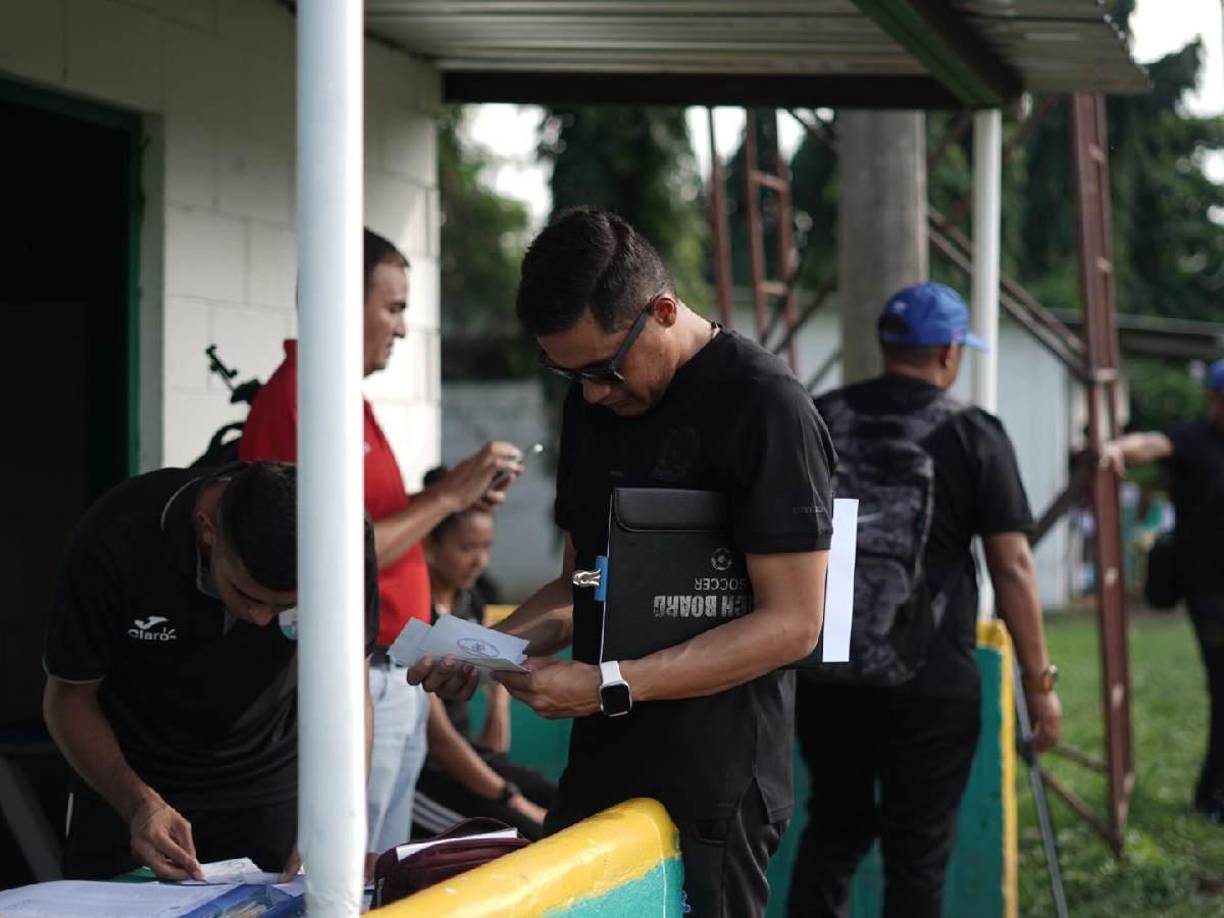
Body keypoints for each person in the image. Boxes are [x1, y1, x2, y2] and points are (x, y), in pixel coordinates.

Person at [411, 207, 835, 917]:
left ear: (663, 310)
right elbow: (583, 583)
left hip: (716, 776)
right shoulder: (591, 405)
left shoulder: (765, 407)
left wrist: (611, 683)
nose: (594, 393)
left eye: (607, 368)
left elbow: (794, 623)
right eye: (567, 373)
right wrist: (492, 646)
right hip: (604, 757)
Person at [239, 228, 522, 871]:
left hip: (393, 674)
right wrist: (447, 496)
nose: (400, 327)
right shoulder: (300, 400)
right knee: (339, 875)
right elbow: (327, 559)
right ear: (344, 302)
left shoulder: (344, 400)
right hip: (348, 679)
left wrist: (461, 499)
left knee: (377, 879)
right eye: (391, 308)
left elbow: (382, 533)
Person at [787, 282, 1063, 918]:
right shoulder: (974, 433)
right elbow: (1013, 565)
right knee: (919, 854)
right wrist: (1038, 681)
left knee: (833, 830)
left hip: (827, 670)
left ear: (886, 343)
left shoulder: (820, 417)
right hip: (932, 680)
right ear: (949, 353)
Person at [43, 461, 380, 881]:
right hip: (128, 786)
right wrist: (138, 804)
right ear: (207, 532)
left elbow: (350, 690)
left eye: (287, 608)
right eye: (246, 594)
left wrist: (335, 816)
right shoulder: (118, 534)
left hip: (271, 784)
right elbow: (68, 699)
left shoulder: (346, 538)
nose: (261, 619)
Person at [1101, 357, 1224, 819]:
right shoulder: (1193, 440)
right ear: (1213, 400)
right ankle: (1213, 797)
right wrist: (1117, 449)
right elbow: (1152, 444)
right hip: (1209, 591)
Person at [412, 466, 557, 840]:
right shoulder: (415, 617)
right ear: (429, 546)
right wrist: (513, 800)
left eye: (486, 548)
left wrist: (499, 699)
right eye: (466, 548)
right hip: (426, 777)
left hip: (472, 759)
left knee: (563, 804)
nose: (479, 561)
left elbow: (493, 749)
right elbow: (440, 742)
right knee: (524, 832)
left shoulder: (470, 603)